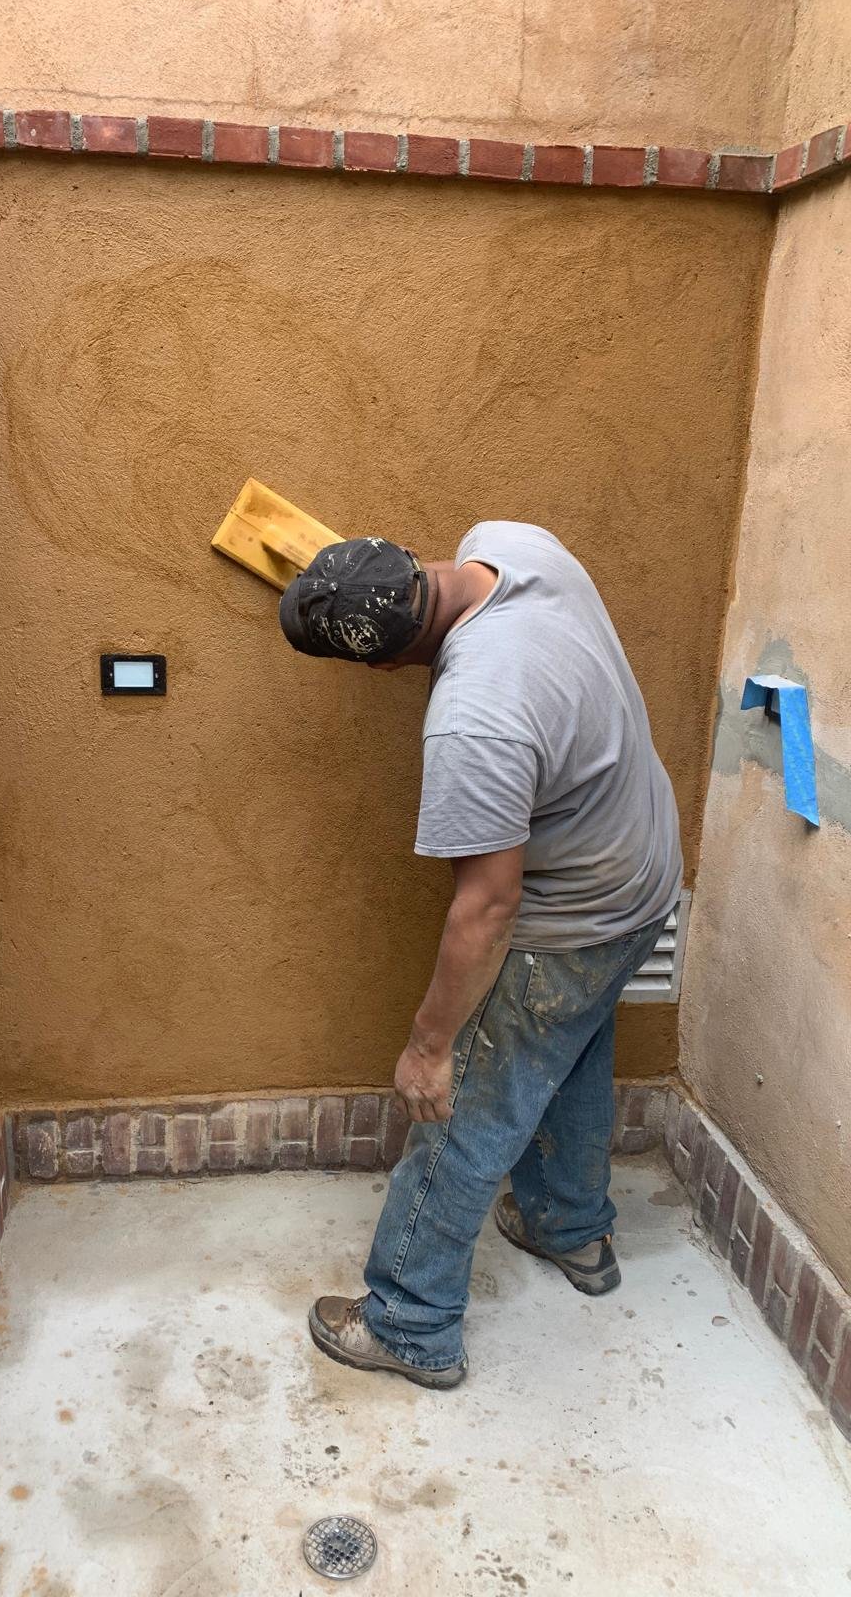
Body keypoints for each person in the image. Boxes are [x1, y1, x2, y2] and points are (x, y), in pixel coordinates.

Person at [277, 524, 683, 1389]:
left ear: (387, 666)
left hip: (574, 913)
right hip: (642, 883)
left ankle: (411, 1321)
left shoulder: (473, 721)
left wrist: (429, 1049)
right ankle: (572, 1230)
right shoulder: (517, 546)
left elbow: (488, 909)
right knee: (570, 1055)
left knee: (462, 1107)